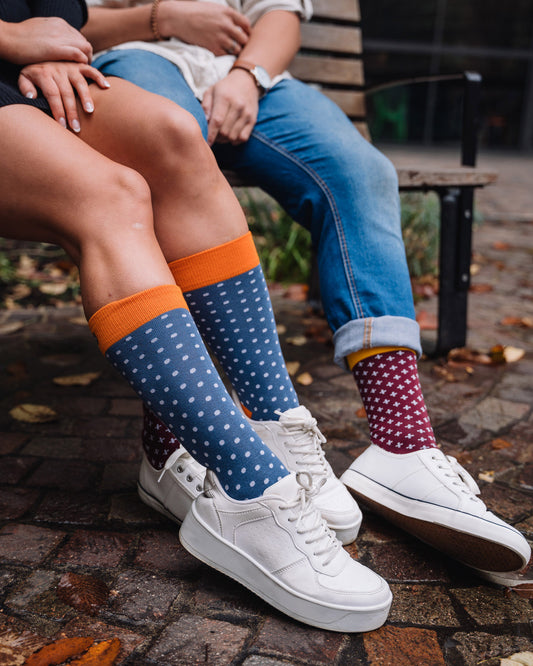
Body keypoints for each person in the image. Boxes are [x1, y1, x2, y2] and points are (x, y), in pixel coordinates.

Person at [80, 0, 531, 576]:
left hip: (250, 76)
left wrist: (247, 76)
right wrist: (160, 19)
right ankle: (169, 445)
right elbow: (56, 18)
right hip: (131, 61)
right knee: (167, 145)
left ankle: (402, 441)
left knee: (363, 173)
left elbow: (280, 11)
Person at [0, 0, 397, 633]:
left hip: (32, 73)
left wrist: (49, 43)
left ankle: (273, 423)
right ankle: (249, 488)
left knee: (176, 137)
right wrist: (11, 36)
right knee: (113, 195)